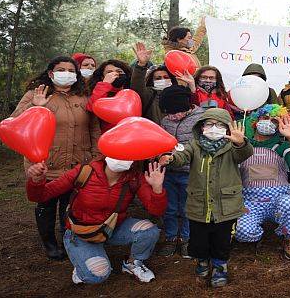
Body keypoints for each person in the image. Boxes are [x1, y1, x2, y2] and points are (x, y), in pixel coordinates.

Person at [12, 56, 101, 261]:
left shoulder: (83, 96)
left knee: (72, 205)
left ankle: (69, 240)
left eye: (71, 70)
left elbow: (94, 129)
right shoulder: (37, 95)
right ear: (51, 73)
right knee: (46, 204)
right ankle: (50, 244)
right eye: (62, 69)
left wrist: (97, 156)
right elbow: (15, 123)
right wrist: (35, 107)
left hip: (79, 162)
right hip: (46, 163)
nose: (67, 73)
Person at [25, 158, 167, 284]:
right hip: (81, 233)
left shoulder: (134, 178)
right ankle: (81, 265)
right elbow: (41, 196)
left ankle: (132, 263)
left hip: (111, 228)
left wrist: (157, 188)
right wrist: (36, 181)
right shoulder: (85, 171)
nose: (121, 158)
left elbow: (156, 211)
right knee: (97, 275)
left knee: (149, 231)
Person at [159, 108, 253, 288]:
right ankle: (202, 261)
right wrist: (170, 158)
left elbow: (244, 154)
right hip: (198, 205)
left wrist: (241, 143)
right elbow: (182, 155)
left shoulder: (232, 147)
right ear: (201, 127)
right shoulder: (194, 145)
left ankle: (220, 266)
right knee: (198, 240)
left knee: (222, 240)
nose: (214, 128)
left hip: (226, 206)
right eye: (209, 124)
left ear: (227, 128)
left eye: (219, 125)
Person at [234, 105, 290, 259]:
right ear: (255, 121)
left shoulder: (282, 146)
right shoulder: (244, 147)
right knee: (242, 232)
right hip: (250, 202)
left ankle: (289, 238)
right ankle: (256, 235)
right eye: (265, 118)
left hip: (278, 200)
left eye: (274, 121)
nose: (268, 122)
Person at [156, 85, 205, 258]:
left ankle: (186, 239)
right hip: (169, 171)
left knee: (187, 208)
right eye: (169, 113)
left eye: (177, 112)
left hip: (189, 172)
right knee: (169, 208)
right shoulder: (166, 121)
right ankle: (170, 238)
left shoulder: (200, 119)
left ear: (186, 106)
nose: (173, 116)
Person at [130, 42, 173, 124]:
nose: (163, 80)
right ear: (152, 81)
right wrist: (141, 64)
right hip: (153, 133)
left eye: (166, 77)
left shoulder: (178, 93)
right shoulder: (148, 94)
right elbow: (137, 87)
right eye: (158, 78)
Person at [86, 59, 132, 132]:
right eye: (109, 72)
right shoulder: (99, 91)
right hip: (107, 137)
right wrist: (105, 84)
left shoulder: (131, 93)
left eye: (119, 71)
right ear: (102, 77)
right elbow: (92, 107)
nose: (115, 74)